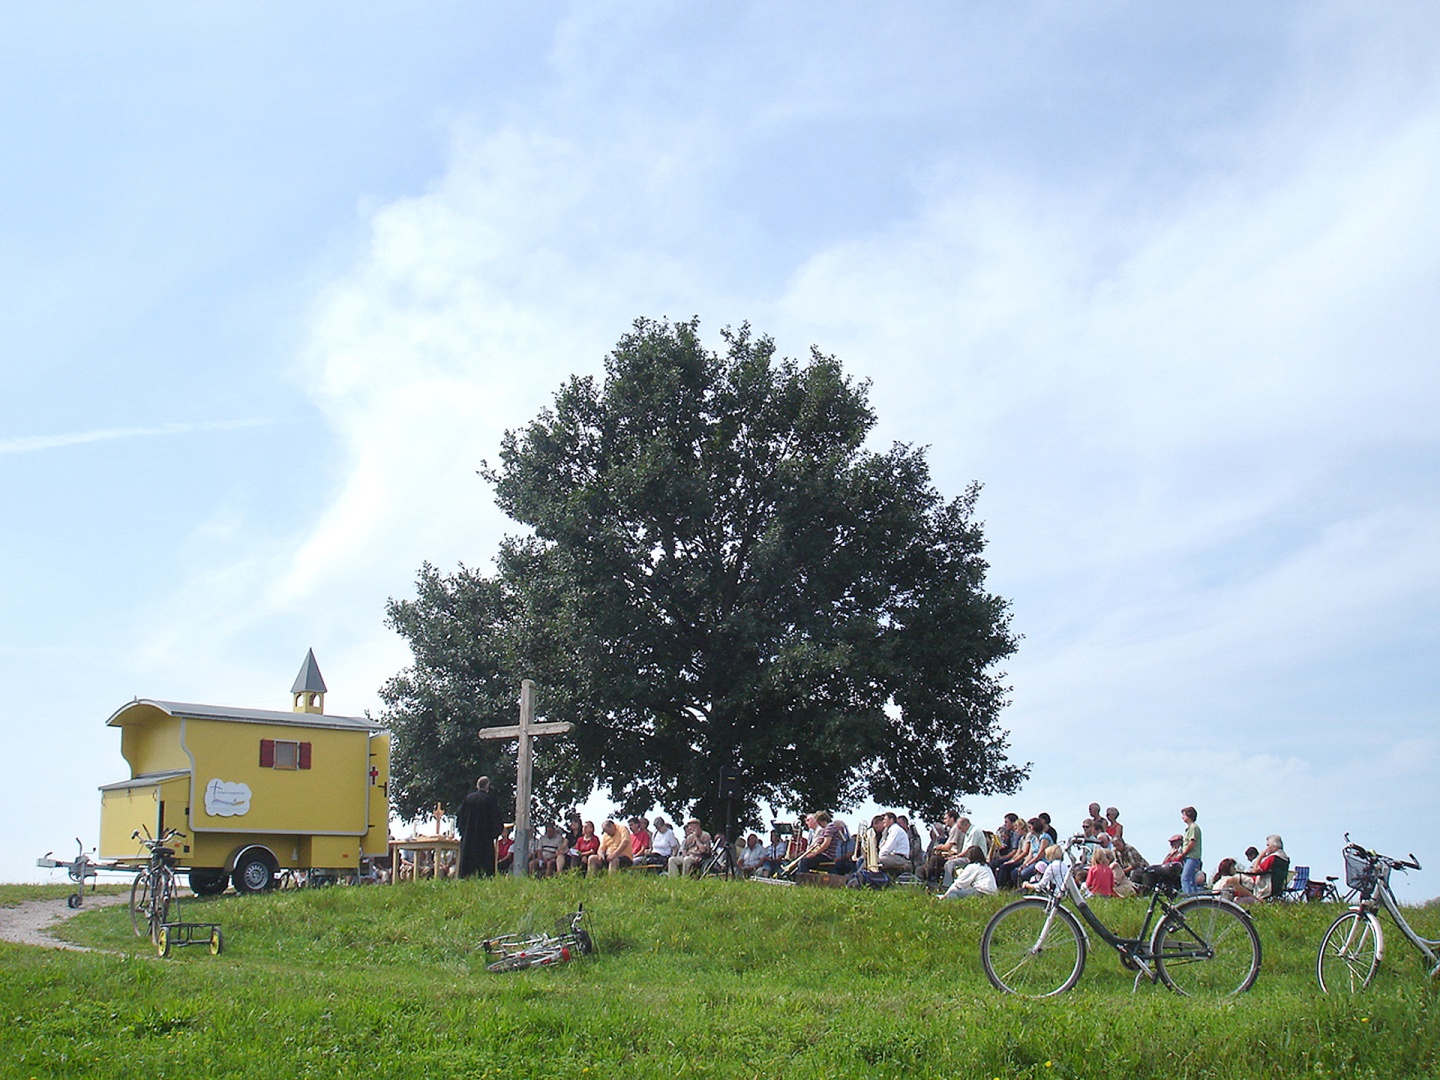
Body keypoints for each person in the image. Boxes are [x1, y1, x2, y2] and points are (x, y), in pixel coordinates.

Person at [456, 776, 504, 878]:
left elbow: (460, 818)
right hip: (484, 840)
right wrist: (494, 834)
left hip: (469, 839)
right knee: (484, 869)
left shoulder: (468, 799)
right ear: (488, 786)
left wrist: (463, 833)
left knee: (468, 869)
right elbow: (496, 820)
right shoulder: (490, 800)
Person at [1179, 806, 1203, 895]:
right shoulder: (1190, 828)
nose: (1182, 817)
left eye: (1184, 815)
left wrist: (1183, 854)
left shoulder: (1193, 827)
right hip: (1190, 857)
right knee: (1192, 880)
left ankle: (1188, 898)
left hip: (1192, 857)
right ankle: (1195, 898)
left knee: (1185, 878)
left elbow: (1192, 843)